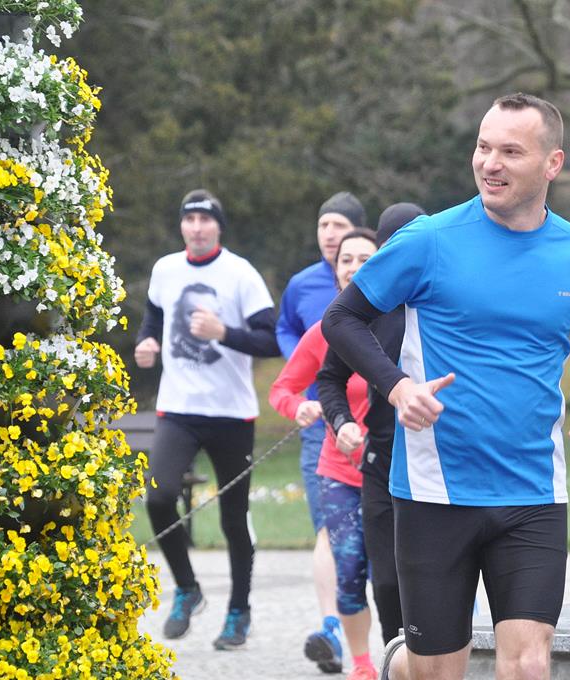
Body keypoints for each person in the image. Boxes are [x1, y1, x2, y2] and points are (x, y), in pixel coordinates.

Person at [324, 93, 570, 680]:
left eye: (511, 151)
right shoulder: (429, 240)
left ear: (553, 163)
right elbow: (342, 319)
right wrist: (397, 387)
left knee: (529, 664)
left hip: (533, 490)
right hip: (436, 492)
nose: (490, 163)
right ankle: (400, 663)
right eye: (484, 147)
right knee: (436, 671)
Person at [134, 189, 281, 649]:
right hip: (178, 409)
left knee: (233, 518)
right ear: (181, 225)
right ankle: (187, 588)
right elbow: (152, 319)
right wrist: (146, 343)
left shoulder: (240, 274)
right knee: (158, 498)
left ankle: (239, 611)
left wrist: (223, 333)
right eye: (189, 219)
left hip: (231, 413)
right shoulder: (165, 269)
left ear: (218, 226)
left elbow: (271, 339)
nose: (197, 227)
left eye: (205, 219)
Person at [270, 228, 380, 680]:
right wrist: (299, 407)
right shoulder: (323, 331)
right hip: (339, 472)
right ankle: (362, 664)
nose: (353, 267)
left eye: (364, 259)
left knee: (399, 576)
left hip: (394, 471)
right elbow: (283, 389)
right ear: (335, 271)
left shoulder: (404, 325)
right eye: (345, 260)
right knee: (349, 570)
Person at [315, 202, 426, 648]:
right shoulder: (368, 311)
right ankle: (395, 662)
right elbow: (329, 378)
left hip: (441, 460)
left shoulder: (448, 303)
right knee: (386, 582)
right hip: (381, 462)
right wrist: (341, 421)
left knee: (432, 577)